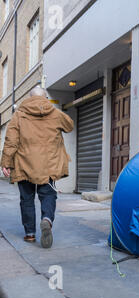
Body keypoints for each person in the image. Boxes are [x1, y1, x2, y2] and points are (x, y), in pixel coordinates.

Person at [0, 86, 74, 248]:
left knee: (26, 199)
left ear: (30, 97)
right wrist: (55, 111)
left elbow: (11, 140)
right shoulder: (54, 113)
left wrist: (6, 162)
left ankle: (30, 234)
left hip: (24, 164)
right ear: (45, 98)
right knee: (48, 195)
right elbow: (69, 126)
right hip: (49, 165)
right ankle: (47, 219)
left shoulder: (19, 114)